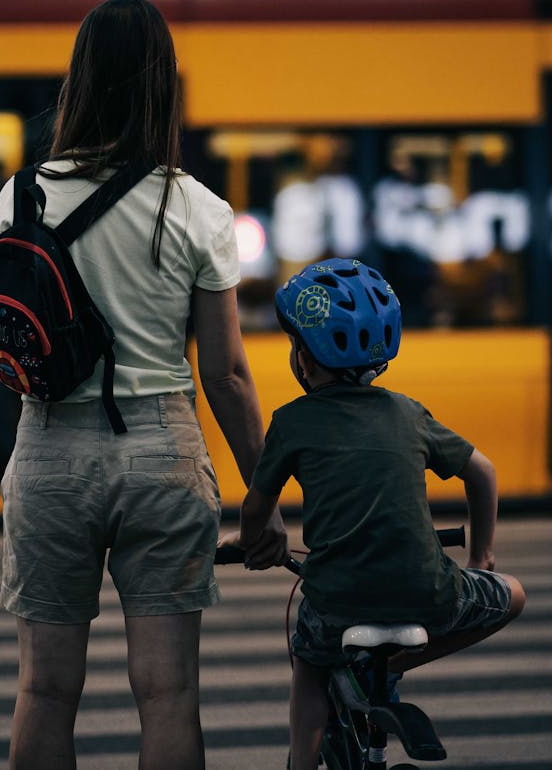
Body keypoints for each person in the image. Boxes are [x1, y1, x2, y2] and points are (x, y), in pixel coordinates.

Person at [0, 0, 287, 770]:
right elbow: (227, 375)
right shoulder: (198, 208)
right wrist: (263, 500)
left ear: (79, 81)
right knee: (170, 693)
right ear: (161, 88)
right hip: (163, 453)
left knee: (44, 691)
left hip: (48, 452)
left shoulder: (22, 196)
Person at [222, 257, 526, 770]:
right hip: (430, 593)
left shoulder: (292, 422)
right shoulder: (410, 413)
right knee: (513, 595)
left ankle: (301, 762)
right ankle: (394, 667)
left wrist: (253, 541)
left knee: (309, 663)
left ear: (304, 358)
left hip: (335, 603)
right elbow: (483, 473)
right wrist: (482, 555)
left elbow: (257, 505)